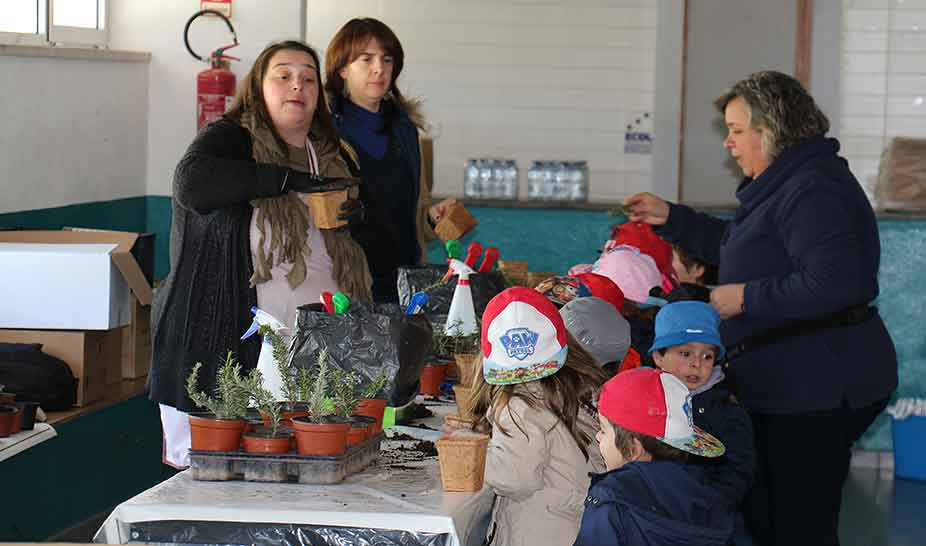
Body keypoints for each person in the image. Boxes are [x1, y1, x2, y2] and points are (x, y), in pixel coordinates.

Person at [625, 70, 897, 546]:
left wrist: (744, 297)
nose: (728, 143)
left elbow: (835, 282)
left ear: (769, 131)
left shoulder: (813, 189)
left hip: (819, 387)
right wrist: (674, 219)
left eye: (736, 130)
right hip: (787, 383)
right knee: (767, 514)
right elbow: (741, 248)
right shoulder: (783, 182)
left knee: (798, 521)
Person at [150, 40, 372, 468]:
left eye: (309, 78)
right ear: (258, 88)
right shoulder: (230, 138)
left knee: (304, 474)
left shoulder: (333, 155)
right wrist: (285, 180)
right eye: (283, 76)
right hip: (231, 345)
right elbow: (192, 184)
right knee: (224, 479)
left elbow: (364, 251)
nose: (298, 86)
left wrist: (358, 217)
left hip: (312, 350)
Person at [324, 18, 456, 303]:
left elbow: (412, 207)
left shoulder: (405, 129)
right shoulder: (323, 131)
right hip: (346, 281)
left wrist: (431, 218)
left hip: (404, 280)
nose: (379, 69)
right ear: (343, 68)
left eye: (387, 59)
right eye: (366, 59)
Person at [470, 287, 609, 546]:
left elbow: (516, 478)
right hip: (577, 527)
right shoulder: (579, 388)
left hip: (539, 533)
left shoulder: (519, 404)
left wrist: (471, 456)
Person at [574, 368, 732, 546]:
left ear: (633, 449)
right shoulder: (705, 492)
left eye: (603, 430)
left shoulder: (611, 501)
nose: (598, 436)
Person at [649, 301, 755, 536]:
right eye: (685, 353)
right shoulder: (643, 399)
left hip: (706, 522)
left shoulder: (727, 409)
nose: (696, 364)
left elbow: (738, 471)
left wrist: (704, 507)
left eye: (707, 356)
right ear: (658, 356)